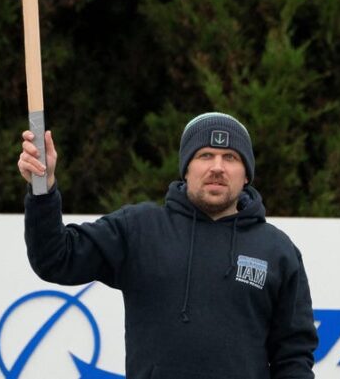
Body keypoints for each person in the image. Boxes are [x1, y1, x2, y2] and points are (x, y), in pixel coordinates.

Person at [19, 112, 318, 379]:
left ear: (246, 174)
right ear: (186, 169)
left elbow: (293, 356)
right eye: (205, 155)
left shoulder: (277, 251)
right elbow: (56, 258)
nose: (217, 167)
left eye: (230, 157)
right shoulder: (139, 229)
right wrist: (42, 190)